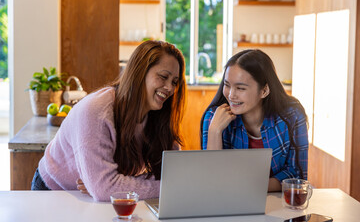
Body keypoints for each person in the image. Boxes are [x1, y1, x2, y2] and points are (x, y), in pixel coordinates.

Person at [31, 40, 187, 201]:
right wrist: (106, 186)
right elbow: (105, 189)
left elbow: (173, 173)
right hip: (55, 192)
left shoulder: (158, 117)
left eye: (174, 82)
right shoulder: (96, 110)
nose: (170, 88)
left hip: (96, 199)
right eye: (163, 77)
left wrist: (111, 184)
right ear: (140, 72)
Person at [200, 49, 308, 192]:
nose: (231, 95)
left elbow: (297, 175)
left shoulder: (292, 116)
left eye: (240, 88)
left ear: (264, 91)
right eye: (227, 85)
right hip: (229, 204)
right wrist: (214, 132)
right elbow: (211, 183)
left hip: (277, 203)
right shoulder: (214, 117)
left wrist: (250, 187)